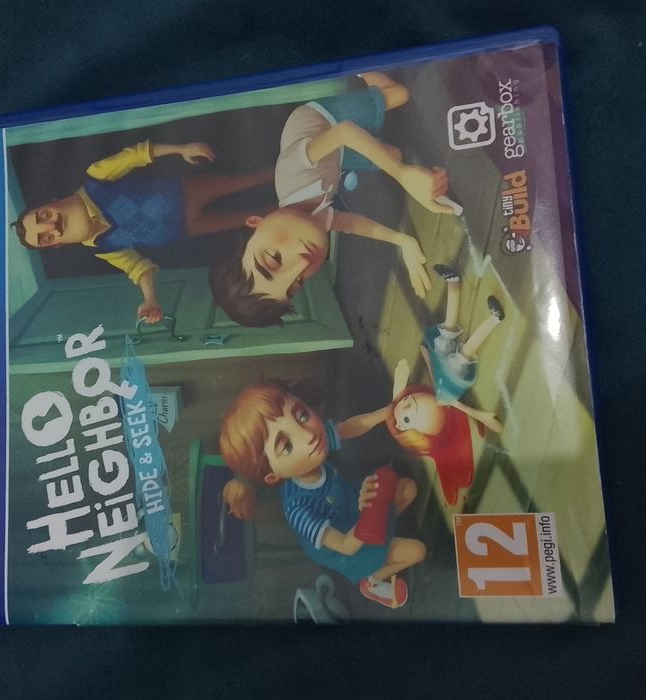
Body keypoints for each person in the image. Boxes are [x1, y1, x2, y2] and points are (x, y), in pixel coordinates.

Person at [209, 72, 456, 327]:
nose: (303, 262)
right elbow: (353, 224)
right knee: (393, 153)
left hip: (324, 121)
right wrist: (403, 241)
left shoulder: (294, 170)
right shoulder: (311, 222)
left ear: (255, 222)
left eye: (273, 258)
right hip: (336, 158)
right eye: (297, 282)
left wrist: (402, 174)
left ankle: (361, 68)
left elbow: (345, 132)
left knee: (398, 94)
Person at [12, 140, 272, 323]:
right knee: (253, 219)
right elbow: (138, 269)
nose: (53, 226)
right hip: (187, 227)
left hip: (185, 192)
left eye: (44, 216)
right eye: (46, 237)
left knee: (250, 179)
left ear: (52, 202)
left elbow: (137, 155)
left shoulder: (96, 178)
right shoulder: (103, 248)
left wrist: (180, 149)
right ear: (56, 245)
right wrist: (150, 300)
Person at [219, 382, 425, 609]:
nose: (307, 435)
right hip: (350, 545)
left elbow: (351, 427)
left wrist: (386, 413)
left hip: (352, 505)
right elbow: (346, 546)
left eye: (302, 415)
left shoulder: (316, 442)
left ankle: (385, 533)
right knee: (417, 551)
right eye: (286, 447)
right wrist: (369, 512)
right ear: (272, 476)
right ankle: (372, 581)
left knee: (409, 489)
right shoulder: (298, 509)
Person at [386, 264, 505, 506]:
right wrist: (482, 416)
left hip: (441, 365)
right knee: (464, 354)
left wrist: (427, 359)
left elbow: (432, 374)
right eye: (407, 418)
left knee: (444, 337)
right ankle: (495, 318)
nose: (407, 404)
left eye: (405, 402)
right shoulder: (446, 398)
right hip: (455, 375)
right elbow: (463, 408)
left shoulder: (435, 392)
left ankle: (453, 282)